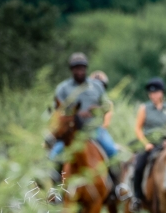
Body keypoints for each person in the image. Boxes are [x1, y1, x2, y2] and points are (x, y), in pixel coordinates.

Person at [49, 53, 119, 181]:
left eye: (82, 68)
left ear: (86, 68)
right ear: (71, 70)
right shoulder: (63, 88)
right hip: (71, 133)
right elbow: (57, 111)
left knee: (112, 151)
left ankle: (117, 187)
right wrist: (72, 113)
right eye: (76, 68)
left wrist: (96, 110)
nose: (79, 71)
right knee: (53, 157)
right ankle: (55, 189)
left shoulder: (97, 86)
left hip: (93, 130)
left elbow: (106, 106)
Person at [132, 77, 166, 206]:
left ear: (162, 93)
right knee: (139, 167)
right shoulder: (144, 108)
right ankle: (137, 197)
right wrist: (146, 144)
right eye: (151, 93)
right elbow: (138, 129)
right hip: (149, 144)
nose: (153, 95)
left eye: (156, 92)